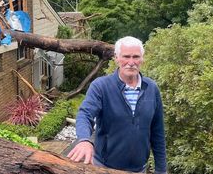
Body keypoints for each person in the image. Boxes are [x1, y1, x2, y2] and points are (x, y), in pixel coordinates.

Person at [67, 36, 167, 174]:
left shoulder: (151, 88)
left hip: (139, 170)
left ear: (142, 59)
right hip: (104, 168)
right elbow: (85, 114)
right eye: (126, 56)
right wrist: (84, 140)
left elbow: (158, 132)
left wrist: (161, 170)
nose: (131, 62)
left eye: (136, 57)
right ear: (116, 58)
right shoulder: (101, 86)